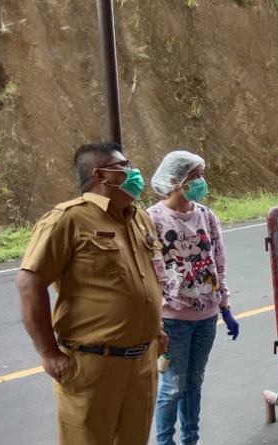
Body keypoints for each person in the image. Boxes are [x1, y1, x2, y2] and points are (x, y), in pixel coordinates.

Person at [17, 141, 168, 445]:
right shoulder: (67, 220)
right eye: (123, 166)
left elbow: (147, 279)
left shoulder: (140, 219)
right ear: (100, 175)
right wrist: (48, 354)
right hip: (92, 366)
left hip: (142, 363)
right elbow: (29, 284)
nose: (132, 171)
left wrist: (157, 329)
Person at [147, 150, 239, 445]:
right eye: (194, 176)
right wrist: (155, 319)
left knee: (194, 384)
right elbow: (149, 270)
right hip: (173, 320)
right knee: (172, 386)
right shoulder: (153, 219)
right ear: (175, 180)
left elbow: (218, 261)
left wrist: (224, 305)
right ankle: (165, 442)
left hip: (206, 316)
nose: (201, 182)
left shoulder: (206, 216)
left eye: (201, 175)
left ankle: (190, 439)